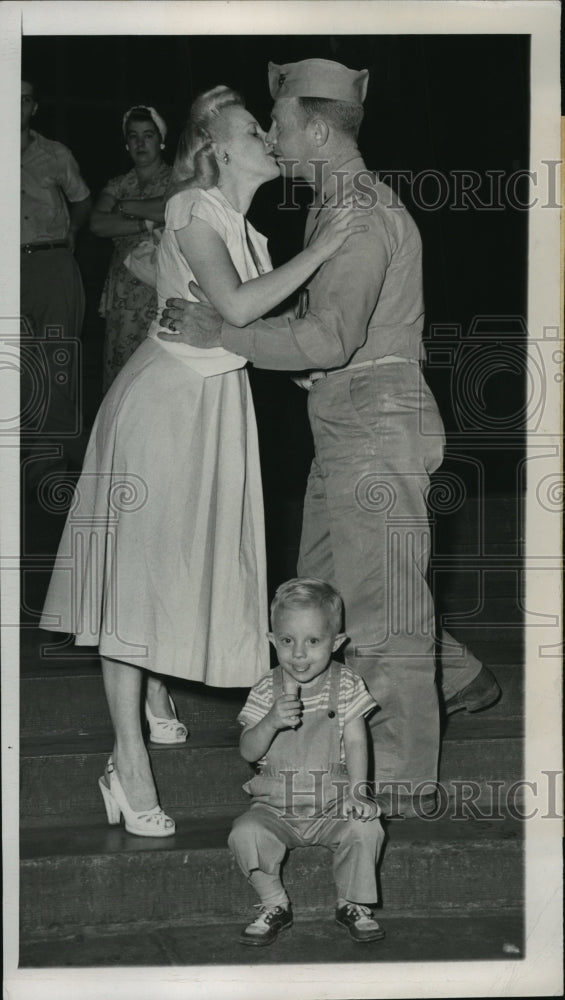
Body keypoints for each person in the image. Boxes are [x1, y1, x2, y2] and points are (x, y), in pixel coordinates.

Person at [159, 58, 502, 818]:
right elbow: (331, 337)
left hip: (375, 424)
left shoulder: (359, 213)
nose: (273, 138)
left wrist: (229, 332)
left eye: (277, 125)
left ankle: (405, 789)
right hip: (350, 417)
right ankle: (414, 704)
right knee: (323, 600)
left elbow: (329, 333)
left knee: (382, 618)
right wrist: (316, 360)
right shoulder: (331, 211)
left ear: (314, 128)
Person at [40, 85, 365, 838]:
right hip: (163, 407)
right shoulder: (191, 207)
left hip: (214, 411)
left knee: (173, 568)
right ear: (217, 146)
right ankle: (127, 762)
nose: (266, 138)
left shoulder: (247, 234)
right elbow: (240, 308)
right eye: (253, 129)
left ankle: (149, 689)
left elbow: (247, 326)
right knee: (136, 578)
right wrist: (322, 248)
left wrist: (303, 365)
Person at [229, 578, 385, 946]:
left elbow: (358, 740)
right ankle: (274, 903)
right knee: (244, 832)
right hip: (275, 806)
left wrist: (359, 793)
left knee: (367, 828)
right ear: (272, 641)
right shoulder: (265, 689)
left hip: (332, 801)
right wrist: (269, 721)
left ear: (337, 642)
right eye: (287, 641)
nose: (299, 654)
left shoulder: (347, 684)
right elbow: (248, 751)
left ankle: (352, 903)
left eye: (313, 641)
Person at [21, 74, 92, 490]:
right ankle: (94, 451)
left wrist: (73, 232)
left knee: (57, 366)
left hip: (51, 263)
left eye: (24, 99)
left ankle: (47, 471)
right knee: (22, 371)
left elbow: (82, 200)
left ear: (34, 107)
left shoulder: (55, 154)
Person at [90, 105, 172, 390]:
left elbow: (168, 208)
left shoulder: (177, 178)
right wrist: (145, 224)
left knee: (158, 375)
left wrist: (124, 209)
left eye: (148, 135)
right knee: (121, 375)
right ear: (126, 144)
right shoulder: (118, 183)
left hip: (162, 288)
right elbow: (98, 224)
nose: (140, 143)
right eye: (133, 136)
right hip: (124, 293)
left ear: (161, 140)